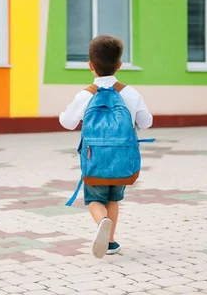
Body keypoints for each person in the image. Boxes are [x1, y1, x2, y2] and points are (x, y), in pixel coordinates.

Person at [59, 35, 153, 258]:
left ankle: (102, 221)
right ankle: (110, 243)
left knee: (93, 200)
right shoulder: (129, 93)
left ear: (91, 66)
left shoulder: (86, 95)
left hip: (95, 160)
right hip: (121, 161)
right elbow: (146, 122)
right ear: (119, 65)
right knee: (113, 198)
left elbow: (67, 122)